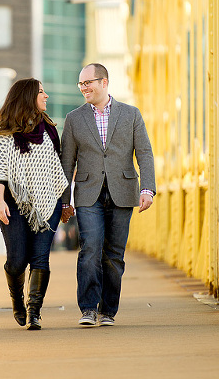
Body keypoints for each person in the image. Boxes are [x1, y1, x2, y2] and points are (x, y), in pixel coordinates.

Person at [60, 63, 156, 327]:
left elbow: (144, 154)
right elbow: (66, 162)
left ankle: (108, 311)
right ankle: (89, 308)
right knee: (90, 248)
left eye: (88, 83)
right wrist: (64, 200)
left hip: (123, 193)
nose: (84, 88)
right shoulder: (74, 119)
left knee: (114, 255)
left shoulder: (131, 114)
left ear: (104, 82)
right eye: (80, 84)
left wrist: (147, 188)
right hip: (88, 195)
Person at [0, 78, 70, 330]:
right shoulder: (5, 132)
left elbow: (58, 168)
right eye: (41, 92)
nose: (46, 96)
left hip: (48, 202)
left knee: (40, 258)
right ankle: (17, 300)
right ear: (27, 97)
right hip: (15, 203)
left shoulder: (49, 129)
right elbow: (0, 169)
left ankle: (34, 311)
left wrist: (65, 202)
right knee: (16, 260)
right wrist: (0, 201)